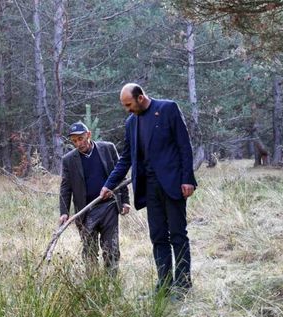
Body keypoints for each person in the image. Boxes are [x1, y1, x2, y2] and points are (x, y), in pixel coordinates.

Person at [100, 84, 197, 294]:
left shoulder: (168, 109)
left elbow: (184, 146)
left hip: (173, 184)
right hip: (149, 188)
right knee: (158, 236)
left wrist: (187, 179)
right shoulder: (130, 123)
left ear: (141, 97)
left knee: (178, 235)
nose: (127, 109)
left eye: (129, 104)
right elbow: (125, 159)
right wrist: (109, 185)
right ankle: (164, 285)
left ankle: (182, 285)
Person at [60, 121, 131, 276]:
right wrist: (64, 212)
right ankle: (93, 285)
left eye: (81, 138)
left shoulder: (107, 149)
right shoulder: (69, 160)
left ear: (89, 135)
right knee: (89, 251)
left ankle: (111, 284)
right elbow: (65, 187)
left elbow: (121, 176)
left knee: (111, 249)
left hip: (109, 207)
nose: (78, 143)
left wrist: (125, 200)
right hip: (85, 212)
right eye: (74, 141)